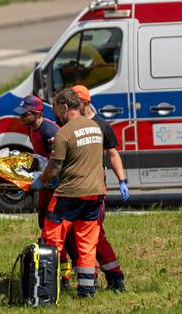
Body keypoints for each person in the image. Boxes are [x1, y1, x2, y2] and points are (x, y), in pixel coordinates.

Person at [36, 88, 105, 298]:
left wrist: (39, 180)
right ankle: (86, 290)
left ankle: (47, 288)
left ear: (65, 107)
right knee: (86, 243)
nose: (55, 114)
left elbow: (54, 168)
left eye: (56, 109)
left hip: (69, 194)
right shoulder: (95, 127)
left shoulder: (63, 133)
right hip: (95, 194)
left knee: (51, 239)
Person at [71, 84, 129, 291]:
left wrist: (122, 180)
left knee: (93, 233)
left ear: (85, 102)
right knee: (79, 235)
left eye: (74, 101)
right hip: (74, 187)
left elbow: (112, 154)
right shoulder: (68, 123)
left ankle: (110, 277)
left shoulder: (101, 126)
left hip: (94, 186)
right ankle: (94, 277)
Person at [15, 95, 75, 285]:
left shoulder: (49, 130)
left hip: (56, 186)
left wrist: (43, 181)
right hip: (46, 184)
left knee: (55, 230)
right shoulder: (31, 128)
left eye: (25, 115)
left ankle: (63, 274)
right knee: (43, 223)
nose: (21, 118)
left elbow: (58, 161)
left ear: (37, 114)